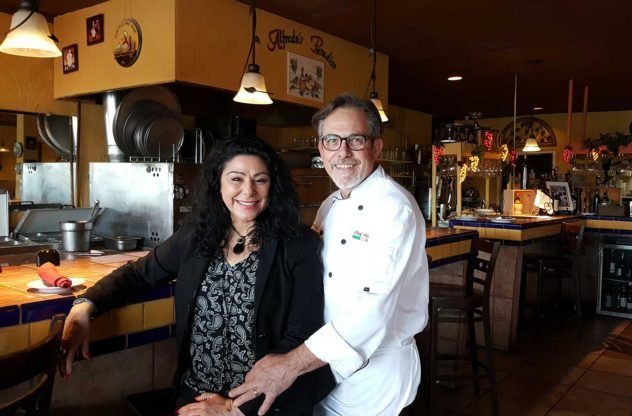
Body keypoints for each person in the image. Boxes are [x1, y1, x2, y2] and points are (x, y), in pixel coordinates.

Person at [59, 137, 335, 415]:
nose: (248, 190)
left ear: (273, 186)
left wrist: (233, 407)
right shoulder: (197, 234)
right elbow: (138, 274)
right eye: (236, 179)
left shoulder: (299, 245)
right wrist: (85, 305)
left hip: (263, 404)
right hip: (196, 396)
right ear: (218, 184)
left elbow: (301, 336)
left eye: (260, 180)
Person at [230, 94, 429, 415]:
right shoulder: (330, 205)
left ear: (376, 147)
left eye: (356, 140)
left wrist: (289, 365)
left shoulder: (394, 208)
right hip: (322, 367)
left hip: (374, 379)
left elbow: (370, 310)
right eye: (332, 140)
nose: (343, 152)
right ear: (321, 149)